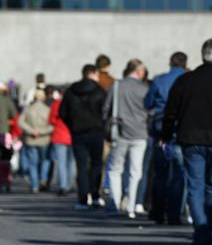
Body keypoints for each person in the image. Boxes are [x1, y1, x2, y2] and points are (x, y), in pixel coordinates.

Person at [162, 39, 212, 245]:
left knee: (195, 186)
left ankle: (201, 230)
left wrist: (166, 135)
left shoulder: (185, 81)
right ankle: (211, 232)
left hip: (190, 139)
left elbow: (170, 112)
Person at [102, 59, 150, 218]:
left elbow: (106, 108)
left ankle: (115, 202)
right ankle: (131, 205)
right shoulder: (144, 88)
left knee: (115, 169)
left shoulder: (117, 86)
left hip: (120, 131)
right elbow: (150, 109)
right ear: (138, 71)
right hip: (140, 132)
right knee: (136, 171)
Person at [145, 52, 188, 225]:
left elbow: (148, 103)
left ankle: (158, 211)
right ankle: (174, 213)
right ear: (185, 64)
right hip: (180, 128)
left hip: (160, 127)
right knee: (178, 174)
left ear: (170, 63)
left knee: (160, 173)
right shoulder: (187, 79)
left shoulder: (159, 80)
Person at [60, 64, 108, 210]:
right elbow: (106, 110)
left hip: (78, 133)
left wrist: (72, 126)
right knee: (96, 164)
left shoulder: (71, 91)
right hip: (96, 132)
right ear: (93, 73)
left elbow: (63, 113)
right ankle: (95, 195)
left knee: (81, 166)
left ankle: (82, 199)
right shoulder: (100, 91)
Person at [18, 88, 52, 193]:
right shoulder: (47, 110)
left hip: (31, 139)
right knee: (45, 160)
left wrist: (31, 131)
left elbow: (20, 122)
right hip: (44, 139)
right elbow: (52, 125)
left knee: (33, 163)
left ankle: (34, 185)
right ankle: (43, 179)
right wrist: (41, 131)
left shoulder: (28, 109)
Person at [48, 89, 73, 196]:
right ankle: (69, 185)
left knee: (61, 162)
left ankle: (63, 185)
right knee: (71, 163)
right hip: (72, 135)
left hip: (59, 135)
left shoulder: (56, 104)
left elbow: (51, 119)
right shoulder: (73, 102)